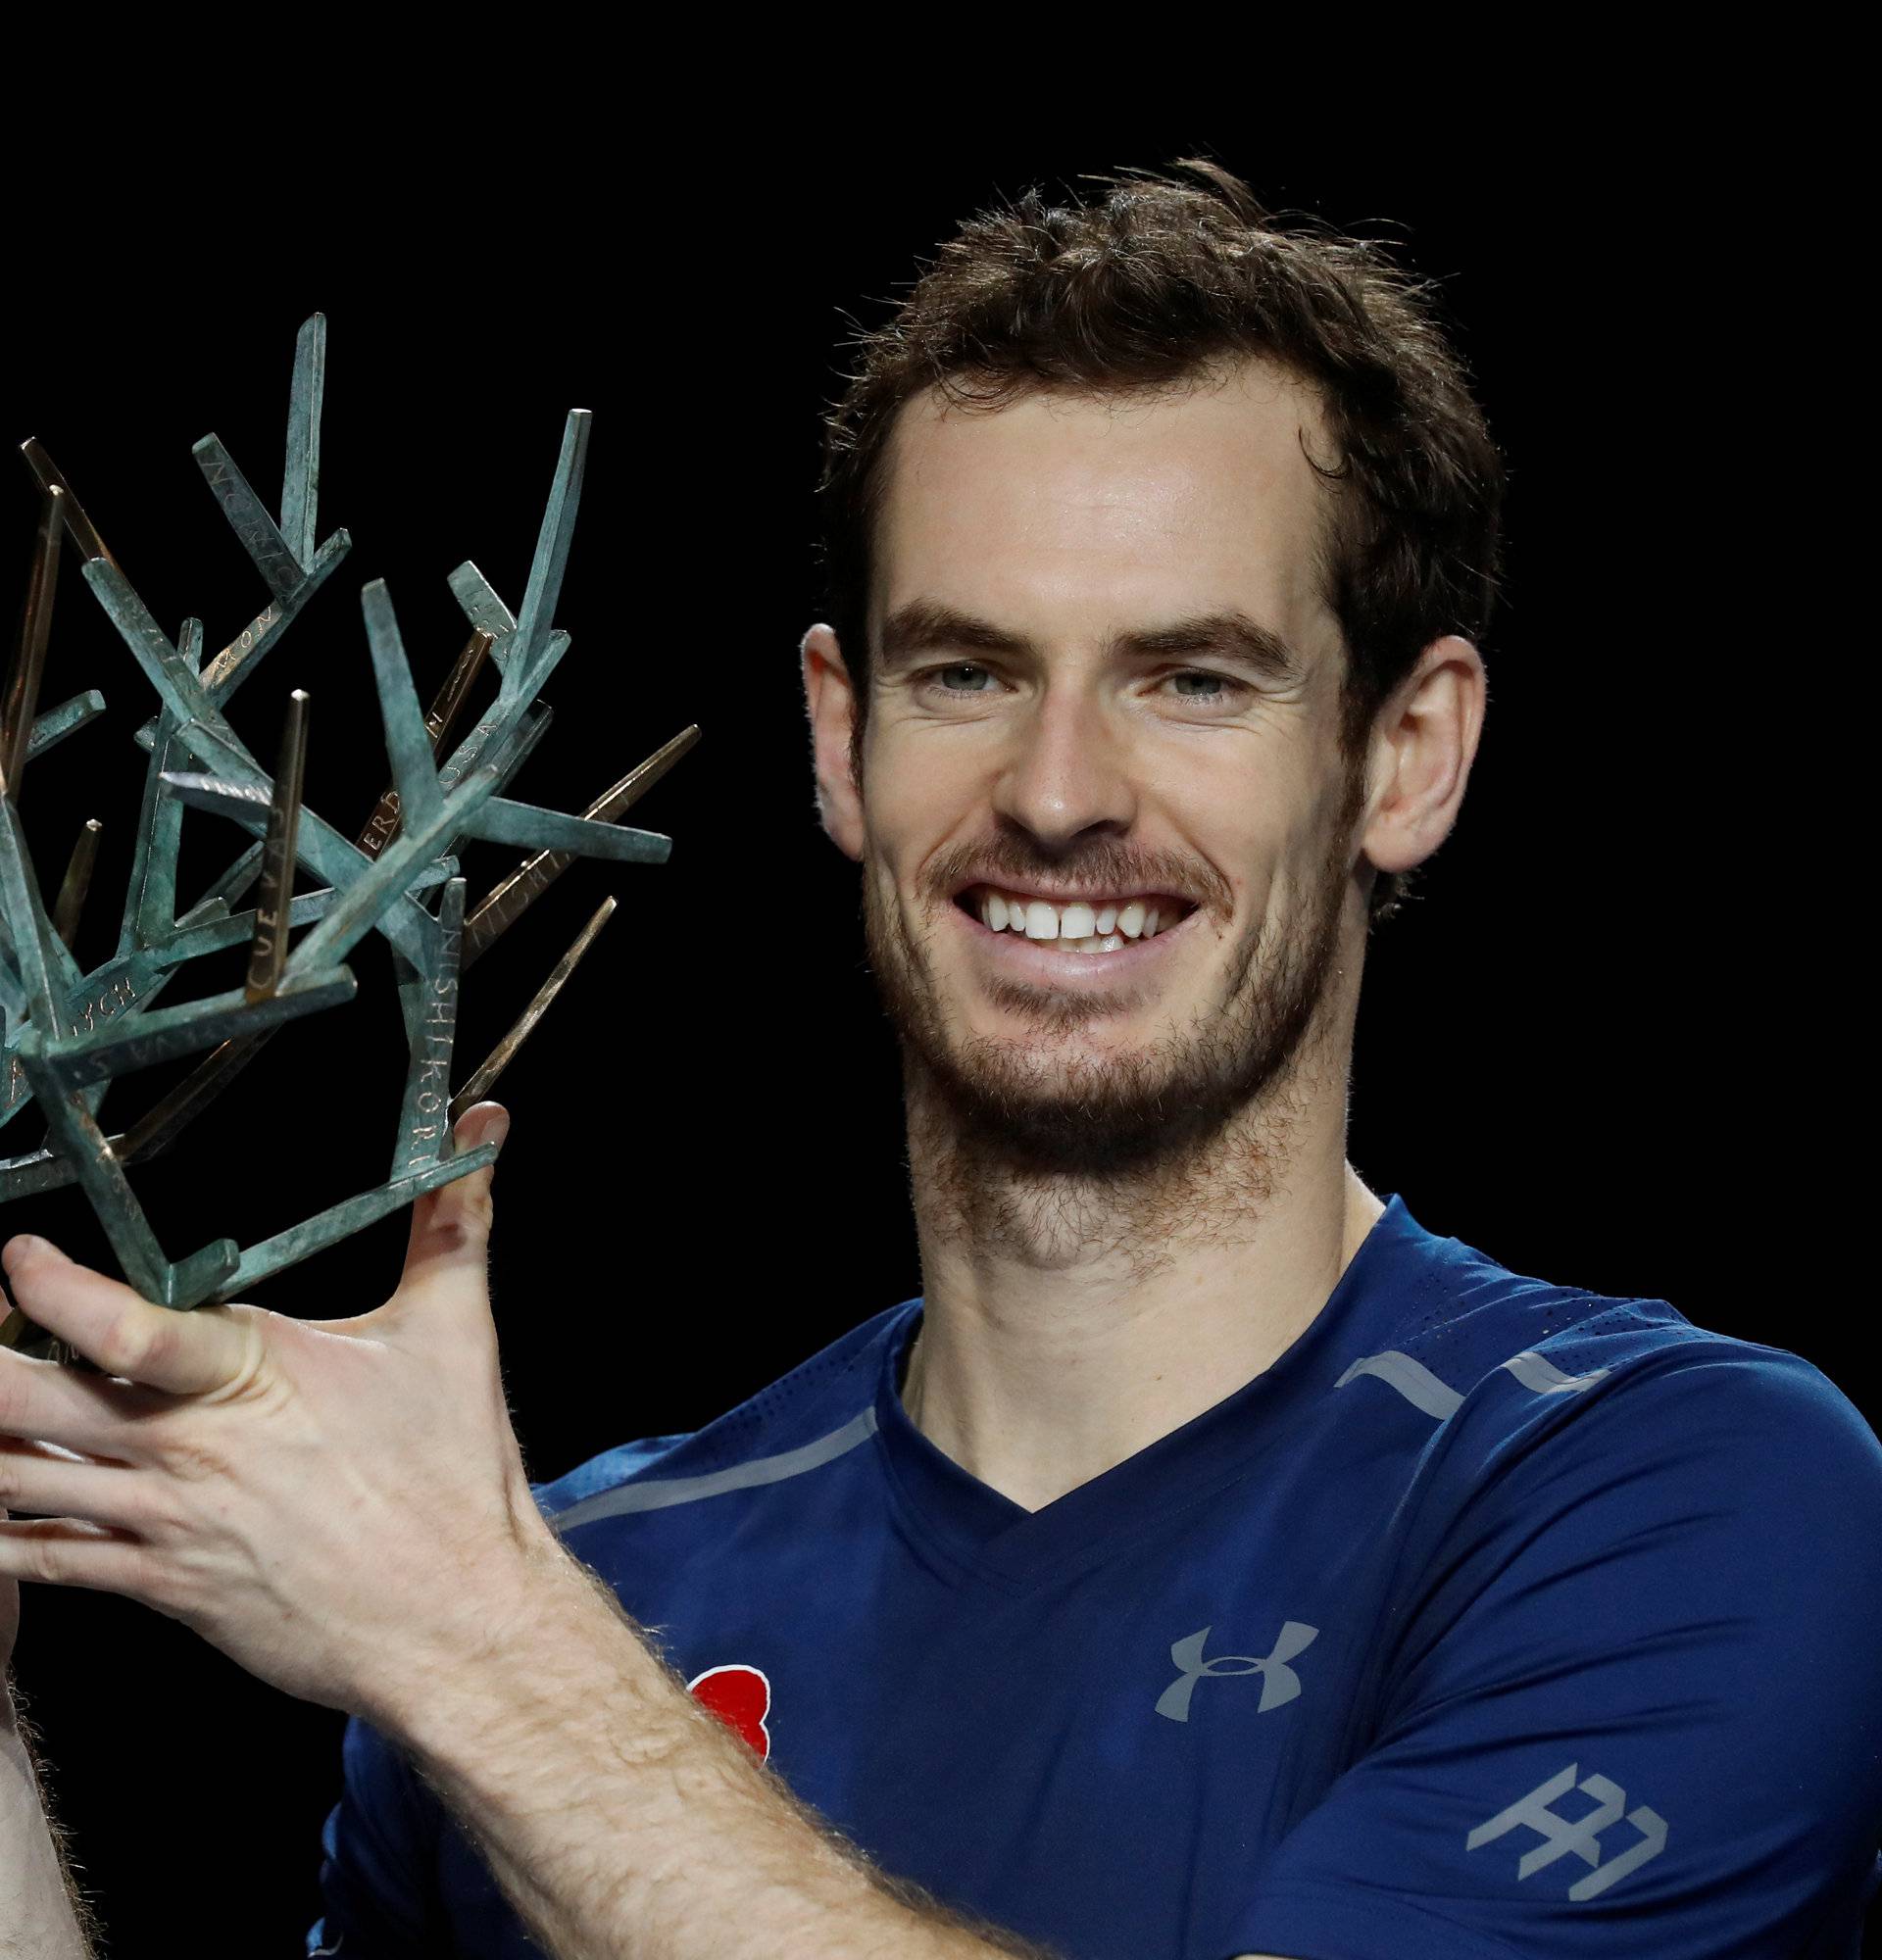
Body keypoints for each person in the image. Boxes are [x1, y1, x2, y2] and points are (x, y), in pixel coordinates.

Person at [1, 159, 1878, 1960]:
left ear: (1408, 754)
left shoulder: (1671, 1498)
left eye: (1193, 679)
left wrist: (473, 1643)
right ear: (840, 738)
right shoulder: (594, 1576)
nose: (1056, 793)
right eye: (965, 673)